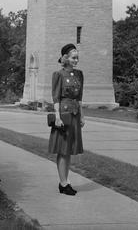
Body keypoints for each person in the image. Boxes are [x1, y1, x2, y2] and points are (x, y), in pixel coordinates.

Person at [48, 43, 84, 195]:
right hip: (63, 116)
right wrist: (56, 117)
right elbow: (56, 98)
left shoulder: (79, 74)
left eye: (77, 58)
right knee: (63, 151)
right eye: (73, 58)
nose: (76, 60)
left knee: (68, 150)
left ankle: (66, 181)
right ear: (65, 58)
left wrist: (82, 115)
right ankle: (63, 184)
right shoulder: (58, 75)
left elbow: (80, 97)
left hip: (75, 115)